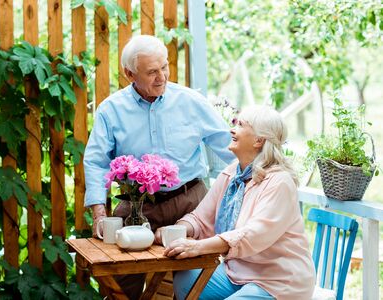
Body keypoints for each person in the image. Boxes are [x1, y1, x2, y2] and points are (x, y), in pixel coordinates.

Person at [83, 34, 235, 299]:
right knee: (119, 282)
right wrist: (99, 213)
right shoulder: (111, 110)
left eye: (164, 67)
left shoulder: (190, 101)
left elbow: (229, 147)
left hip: (191, 203)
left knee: (194, 284)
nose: (162, 77)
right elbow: (96, 161)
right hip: (136, 205)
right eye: (152, 72)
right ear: (129, 73)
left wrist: (258, 178)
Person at [155, 105, 316, 300]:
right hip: (238, 274)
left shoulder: (279, 181)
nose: (232, 129)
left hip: (279, 281)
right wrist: (177, 230)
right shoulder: (232, 173)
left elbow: (252, 235)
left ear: (259, 140)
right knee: (185, 279)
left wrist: (197, 247)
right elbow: (200, 218)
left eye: (240, 125)